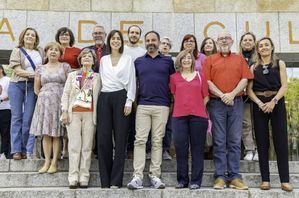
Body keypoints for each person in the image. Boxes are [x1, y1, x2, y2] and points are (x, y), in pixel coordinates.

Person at [203, 31, 253, 190]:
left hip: (236, 102)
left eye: (227, 38)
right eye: (221, 38)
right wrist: (222, 95)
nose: (224, 40)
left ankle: (235, 177)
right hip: (217, 104)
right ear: (217, 42)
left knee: (234, 140)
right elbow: (207, 81)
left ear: (232, 41)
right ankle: (219, 177)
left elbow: (245, 79)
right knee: (218, 140)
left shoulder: (239, 58)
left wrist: (231, 94)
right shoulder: (210, 59)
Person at [127, 31, 175, 190]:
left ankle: (155, 175)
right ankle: (137, 176)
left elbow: (173, 85)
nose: (150, 42)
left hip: (162, 106)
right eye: (148, 40)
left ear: (158, 41)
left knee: (157, 141)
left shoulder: (168, 62)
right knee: (139, 140)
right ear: (145, 42)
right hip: (143, 105)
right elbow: (133, 84)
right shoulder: (138, 62)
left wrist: (171, 105)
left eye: (153, 40)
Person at [247, 37, 293, 192]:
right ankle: (265, 179)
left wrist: (273, 101)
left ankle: (285, 180)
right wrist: (260, 103)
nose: (264, 47)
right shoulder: (253, 67)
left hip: (277, 102)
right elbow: (249, 90)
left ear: (272, 47)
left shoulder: (279, 63)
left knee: (281, 141)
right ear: (257, 50)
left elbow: (284, 86)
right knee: (262, 142)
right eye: (261, 46)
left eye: (266, 45)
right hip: (259, 104)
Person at [97, 30, 136, 188]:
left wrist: (129, 101)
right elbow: (100, 81)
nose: (115, 41)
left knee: (120, 140)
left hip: (122, 97)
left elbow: (132, 81)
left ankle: (115, 181)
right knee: (103, 140)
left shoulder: (128, 59)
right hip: (105, 97)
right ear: (109, 41)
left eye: (118, 39)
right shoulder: (103, 60)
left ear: (122, 42)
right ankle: (105, 180)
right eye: (113, 39)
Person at [61, 48, 101, 189]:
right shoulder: (73, 75)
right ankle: (73, 177)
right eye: (84, 56)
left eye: (89, 56)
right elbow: (65, 94)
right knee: (74, 146)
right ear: (80, 60)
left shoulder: (97, 77)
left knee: (87, 147)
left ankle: (84, 177)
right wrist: (64, 111)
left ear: (94, 60)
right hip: (74, 113)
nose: (86, 58)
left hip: (90, 114)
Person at [170, 49, 209, 190]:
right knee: (180, 148)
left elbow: (206, 96)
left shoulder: (200, 76)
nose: (186, 60)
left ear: (193, 61)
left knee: (197, 149)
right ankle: (182, 180)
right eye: (183, 58)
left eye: (189, 58)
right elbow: (175, 96)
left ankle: (196, 181)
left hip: (198, 117)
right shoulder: (174, 77)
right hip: (179, 117)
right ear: (179, 61)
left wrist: (196, 108)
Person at [30, 42, 70, 174]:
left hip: (60, 101)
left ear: (60, 53)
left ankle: (54, 163)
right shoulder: (40, 68)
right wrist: (45, 97)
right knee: (46, 133)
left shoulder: (65, 66)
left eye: (56, 50)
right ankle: (46, 161)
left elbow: (69, 85)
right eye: (50, 50)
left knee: (57, 133)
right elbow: (36, 88)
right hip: (44, 102)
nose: (53, 52)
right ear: (46, 52)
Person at [8, 27, 44, 160]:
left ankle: (25, 149)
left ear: (36, 39)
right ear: (23, 36)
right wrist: (35, 74)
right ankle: (16, 150)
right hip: (17, 85)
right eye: (27, 34)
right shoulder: (17, 50)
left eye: (33, 35)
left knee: (28, 118)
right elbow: (17, 70)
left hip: (32, 86)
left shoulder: (40, 51)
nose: (30, 37)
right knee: (16, 117)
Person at [123, 25, 146, 159]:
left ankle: (131, 149)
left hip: (138, 89)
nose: (134, 34)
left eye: (136, 33)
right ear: (128, 34)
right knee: (123, 120)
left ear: (139, 36)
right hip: (122, 88)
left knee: (134, 121)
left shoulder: (142, 52)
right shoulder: (122, 50)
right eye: (132, 32)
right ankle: (122, 148)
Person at [239, 32, 258, 161]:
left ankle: (259, 150)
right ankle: (249, 150)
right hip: (243, 97)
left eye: (250, 40)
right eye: (245, 40)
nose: (247, 42)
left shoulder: (259, 58)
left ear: (254, 42)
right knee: (246, 124)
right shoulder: (236, 58)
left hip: (258, 96)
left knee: (258, 124)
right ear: (241, 43)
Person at [0, 65, 11, 159]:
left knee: (5, 132)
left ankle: (4, 152)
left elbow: (11, 93)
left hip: (5, 109)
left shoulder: (7, 80)